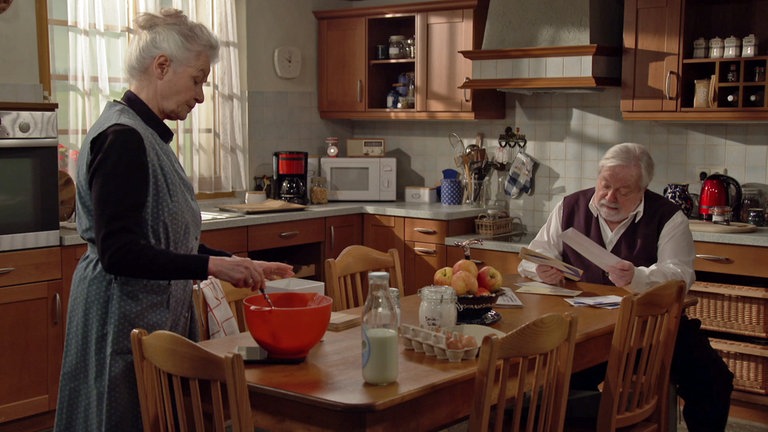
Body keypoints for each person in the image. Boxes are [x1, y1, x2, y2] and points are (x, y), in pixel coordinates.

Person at [53, 9, 294, 431]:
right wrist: (212, 266)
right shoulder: (123, 139)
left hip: (148, 317)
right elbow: (120, 252)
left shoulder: (146, 135)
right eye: (198, 79)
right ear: (161, 66)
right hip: (119, 319)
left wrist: (236, 264)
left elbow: (162, 237)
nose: (201, 95)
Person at [518, 143, 734, 432]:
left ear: (643, 188)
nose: (610, 197)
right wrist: (541, 270)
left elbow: (681, 275)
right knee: (559, 388)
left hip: (652, 330)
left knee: (714, 380)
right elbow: (530, 258)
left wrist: (638, 277)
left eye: (623, 191)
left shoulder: (668, 217)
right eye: (605, 185)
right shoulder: (570, 207)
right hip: (585, 331)